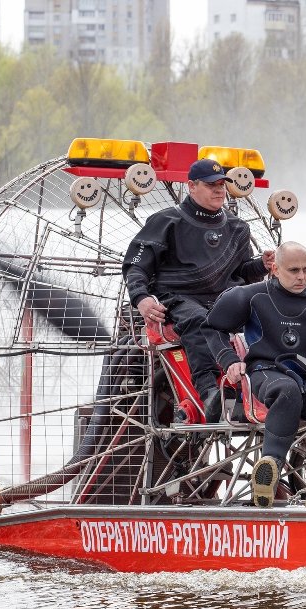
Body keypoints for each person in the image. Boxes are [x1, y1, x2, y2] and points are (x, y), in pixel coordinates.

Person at [201, 242, 306, 507]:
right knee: (286, 391)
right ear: (275, 269)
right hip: (267, 372)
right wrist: (229, 360)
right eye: (294, 270)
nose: (301, 276)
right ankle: (268, 474)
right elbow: (211, 327)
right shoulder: (250, 296)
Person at [122, 158, 275, 420]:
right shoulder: (164, 222)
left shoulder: (237, 227)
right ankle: (209, 393)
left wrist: (262, 264)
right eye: (211, 184)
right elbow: (136, 267)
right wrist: (141, 299)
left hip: (225, 299)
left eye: (222, 185)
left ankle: (267, 390)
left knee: (270, 315)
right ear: (191, 186)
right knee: (202, 320)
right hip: (180, 300)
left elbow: (240, 272)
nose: (219, 190)